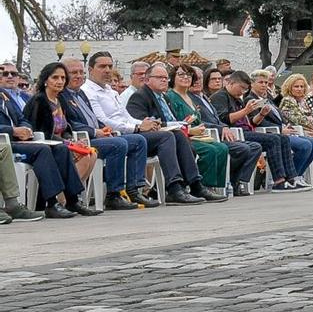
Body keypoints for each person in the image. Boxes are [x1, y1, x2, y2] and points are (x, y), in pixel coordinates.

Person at [96, 54, 207, 204]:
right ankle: (173, 188)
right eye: (159, 77)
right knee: (168, 136)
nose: (164, 80)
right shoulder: (140, 96)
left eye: (166, 78)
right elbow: (133, 122)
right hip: (132, 136)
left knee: (178, 136)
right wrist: (141, 125)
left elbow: (127, 117)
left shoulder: (162, 96)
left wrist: (171, 125)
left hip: (142, 134)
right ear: (147, 80)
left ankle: (194, 185)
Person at [52, 58, 147, 209]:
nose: (78, 76)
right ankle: (113, 195)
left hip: (97, 135)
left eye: (80, 72)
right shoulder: (62, 96)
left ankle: (134, 189)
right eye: (73, 73)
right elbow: (72, 124)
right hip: (84, 139)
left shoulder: (80, 93)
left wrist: (105, 129)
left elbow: (94, 118)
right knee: (119, 144)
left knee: (138, 140)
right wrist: (96, 132)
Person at [1, 81, 96, 217]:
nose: (10, 77)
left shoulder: (4, 95)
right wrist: (12, 130)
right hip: (6, 143)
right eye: (5, 74)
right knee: (43, 150)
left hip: (22, 141)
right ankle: (51, 203)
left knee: (61, 149)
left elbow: (22, 118)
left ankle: (72, 200)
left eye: (13, 74)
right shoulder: (39, 99)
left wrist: (25, 128)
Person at [165, 63, 260, 195]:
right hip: (186, 136)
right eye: (181, 74)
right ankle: (202, 186)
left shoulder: (191, 97)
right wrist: (193, 130)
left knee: (222, 148)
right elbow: (173, 121)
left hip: (202, 134)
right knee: (212, 150)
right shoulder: (171, 96)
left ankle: (218, 186)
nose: (186, 78)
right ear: (173, 77)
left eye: (189, 75)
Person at [213, 69, 298, 189]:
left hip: (247, 130)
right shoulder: (220, 97)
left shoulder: (238, 98)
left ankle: (291, 178)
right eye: (241, 87)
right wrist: (246, 110)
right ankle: (279, 180)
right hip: (236, 133)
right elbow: (225, 119)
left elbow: (251, 122)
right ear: (230, 83)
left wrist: (261, 114)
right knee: (273, 140)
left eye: (245, 89)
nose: (242, 91)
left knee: (283, 138)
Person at [278, 73, 313, 187]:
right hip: (295, 131)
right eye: (296, 86)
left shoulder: (304, 101)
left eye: (302, 86)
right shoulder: (288, 101)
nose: (299, 89)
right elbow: (298, 119)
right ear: (289, 88)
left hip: (308, 131)